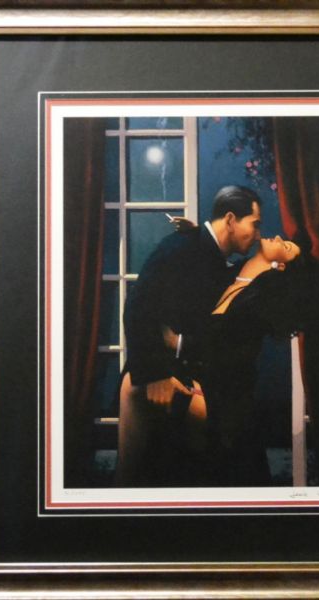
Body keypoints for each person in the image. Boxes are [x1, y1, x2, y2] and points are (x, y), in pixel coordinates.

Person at [114, 185, 262, 487]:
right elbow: (137, 306)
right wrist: (155, 374)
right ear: (231, 220)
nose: (258, 235)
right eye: (255, 224)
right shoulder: (182, 247)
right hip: (158, 376)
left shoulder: (207, 252)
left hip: (191, 378)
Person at [196, 236, 306, 487]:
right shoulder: (235, 272)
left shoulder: (263, 296)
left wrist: (179, 344)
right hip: (209, 383)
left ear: (281, 265)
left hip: (228, 398)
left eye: (285, 246)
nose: (277, 237)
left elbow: (229, 349)